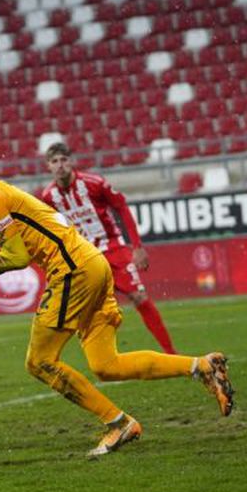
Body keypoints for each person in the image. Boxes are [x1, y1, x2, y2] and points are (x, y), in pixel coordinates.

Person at [0, 146, 234, 457]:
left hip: (72, 270)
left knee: (39, 361)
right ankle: (202, 366)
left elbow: (16, 258)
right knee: (106, 365)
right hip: (91, 263)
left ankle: (119, 423)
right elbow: (19, 241)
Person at [36, 141, 176, 353]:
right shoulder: (48, 197)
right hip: (84, 256)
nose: (60, 165)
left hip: (113, 248)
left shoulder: (94, 183)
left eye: (64, 160)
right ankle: (105, 358)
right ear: (48, 166)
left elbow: (121, 207)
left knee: (138, 297)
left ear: (72, 162)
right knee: (91, 310)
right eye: (54, 161)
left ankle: (171, 353)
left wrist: (137, 246)